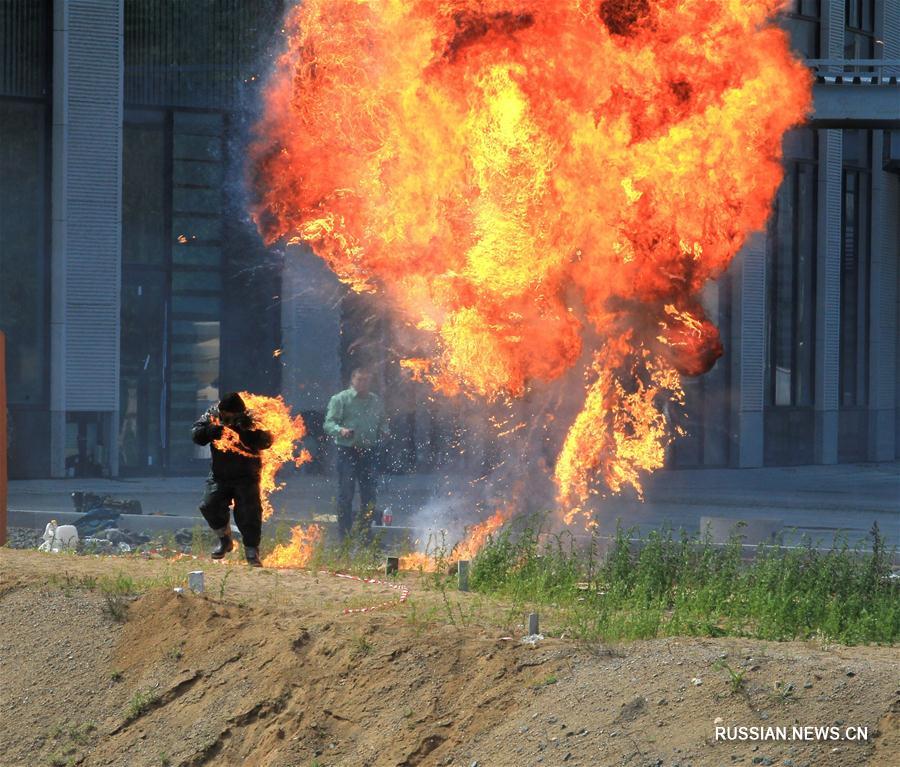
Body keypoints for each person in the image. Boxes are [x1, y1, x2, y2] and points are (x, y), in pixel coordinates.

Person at [191, 392, 273, 567]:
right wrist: (208, 431)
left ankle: (252, 551)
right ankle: (225, 539)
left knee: (249, 514)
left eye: (231, 417)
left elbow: (267, 440)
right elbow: (196, 434)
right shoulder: (212, 414)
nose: (227, 420)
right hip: (220, 475)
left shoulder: (252, 417)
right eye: (225, 416)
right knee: (209, 505)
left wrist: (247, 434)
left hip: (247, 476)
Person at [324, 368, 388, 538]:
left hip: (369, 451)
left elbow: (383, 421)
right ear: (353, 380)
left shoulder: (375, 401)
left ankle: (365, 532)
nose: (362, 384)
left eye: (366, 380)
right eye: (359, 380)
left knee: (369, 494)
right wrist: (341, 430)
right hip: (347, 451)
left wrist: (384, 430)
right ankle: (344, 534)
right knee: (346, 493)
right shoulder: (340, 399)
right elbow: (328, 424)